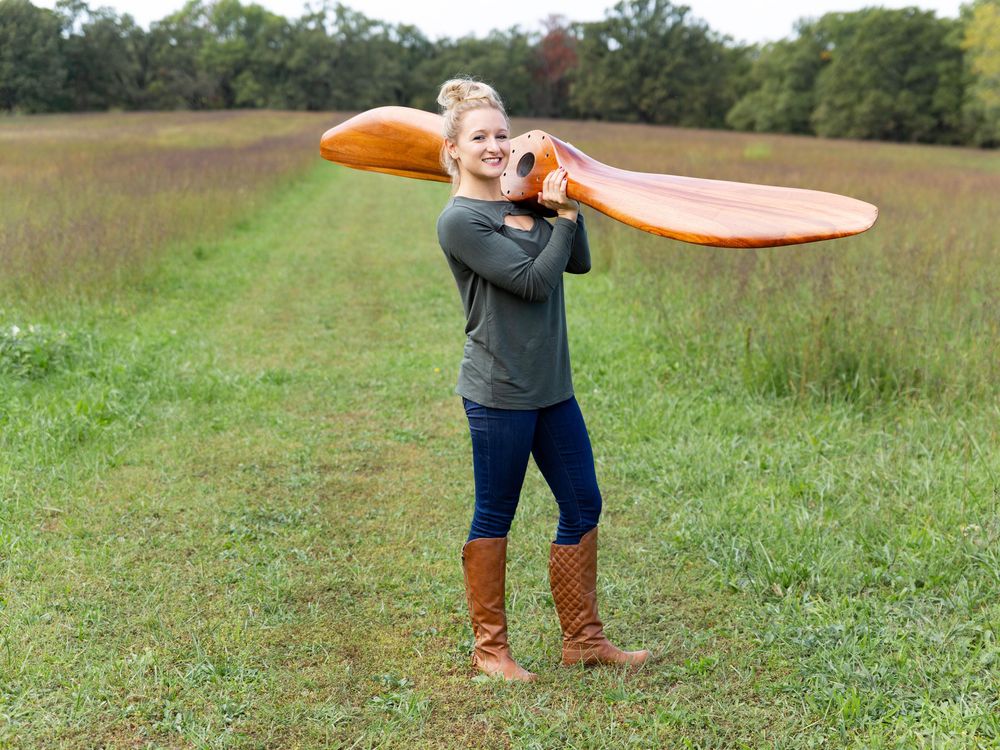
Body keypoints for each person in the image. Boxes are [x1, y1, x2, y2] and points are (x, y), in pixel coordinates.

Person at [435, 77, 650, 682]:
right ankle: (490, 652)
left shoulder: (520, 198)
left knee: (584, 502)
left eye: (502, 134)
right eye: (479, 136)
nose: (495, 146)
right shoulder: (460, 221)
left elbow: (575, 261)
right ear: (454, 148)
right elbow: (533, 282)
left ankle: (583, 640)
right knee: (495, 515)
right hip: (499, 390)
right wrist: (559, 221)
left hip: (553, 387)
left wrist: (561, 206)